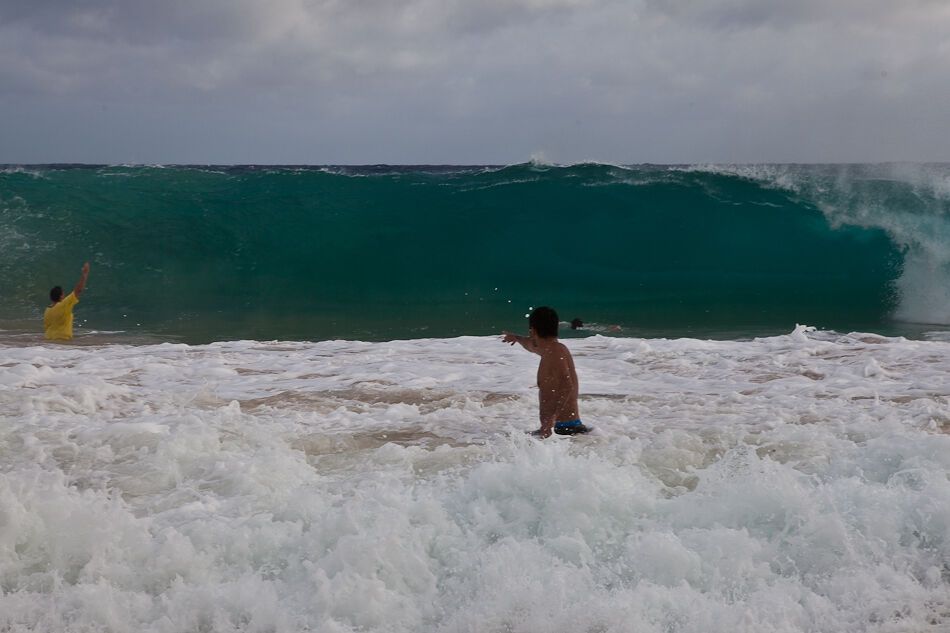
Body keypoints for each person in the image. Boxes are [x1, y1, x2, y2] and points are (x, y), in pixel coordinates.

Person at [502, 306, 589, 437]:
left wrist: (551, 421)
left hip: (566, 430)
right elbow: (531, 345)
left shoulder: (554, 352)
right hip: (562, 429)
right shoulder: (551, 349)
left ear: (533, 331)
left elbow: (567, 386)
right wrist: (516, 338)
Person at [45, 262, 90, 341]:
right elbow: (78, 290)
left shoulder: (47, 310)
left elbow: (47, 327)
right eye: (63, 294)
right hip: (62, 341)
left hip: (50, 342)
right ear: (61, 296)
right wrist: (84, 275)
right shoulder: (63, 305)